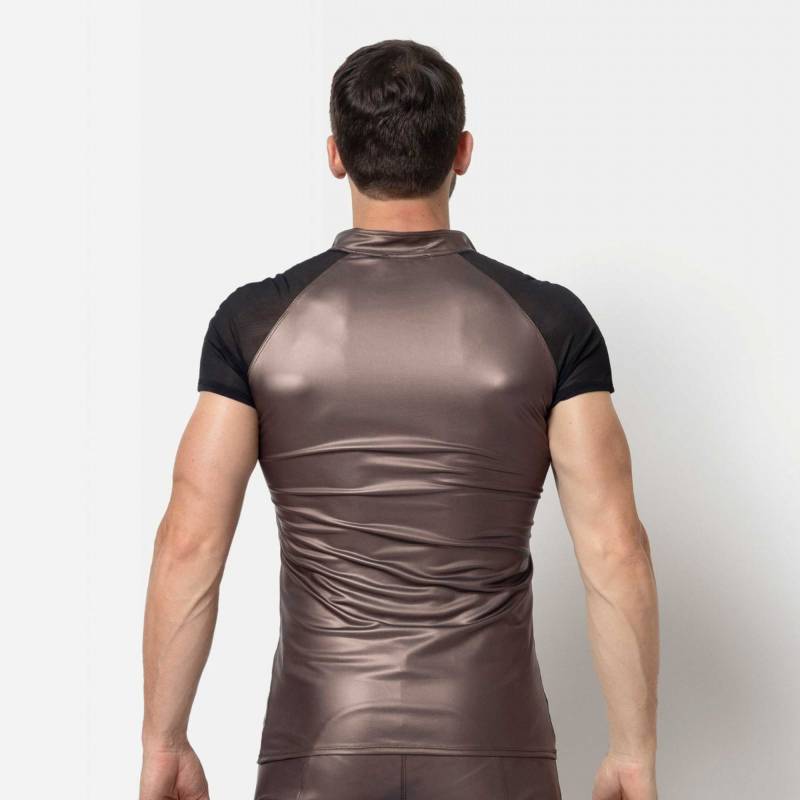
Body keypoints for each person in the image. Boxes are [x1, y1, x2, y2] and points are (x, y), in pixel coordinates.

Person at [139, 39, 659, 800]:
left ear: (335, 156)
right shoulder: (551, 323)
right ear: (463, 152)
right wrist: (632, 751)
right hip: (492, 744)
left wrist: (164, 741)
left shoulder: (255, 323)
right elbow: (615, 549)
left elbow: (188, 543)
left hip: (320, 746)